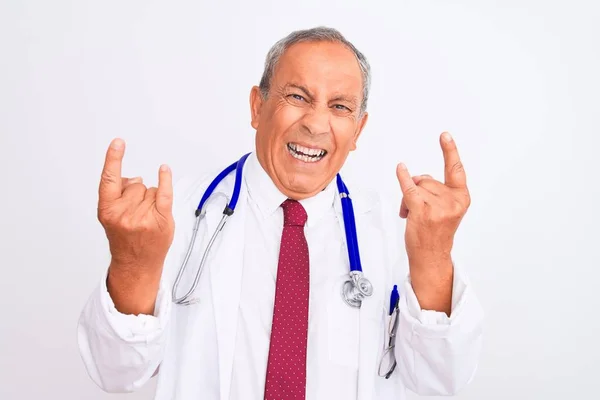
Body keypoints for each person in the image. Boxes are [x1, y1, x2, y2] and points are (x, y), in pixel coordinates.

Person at [77, 26, 484, 400]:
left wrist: (434, 256)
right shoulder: (178, 215)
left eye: (340, 107)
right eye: (297, 97)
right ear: (258, 106)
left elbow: (441, 379)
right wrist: (132, 262)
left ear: (358, 131)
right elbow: (115, 373)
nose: (316, 123)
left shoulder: (394, 231)